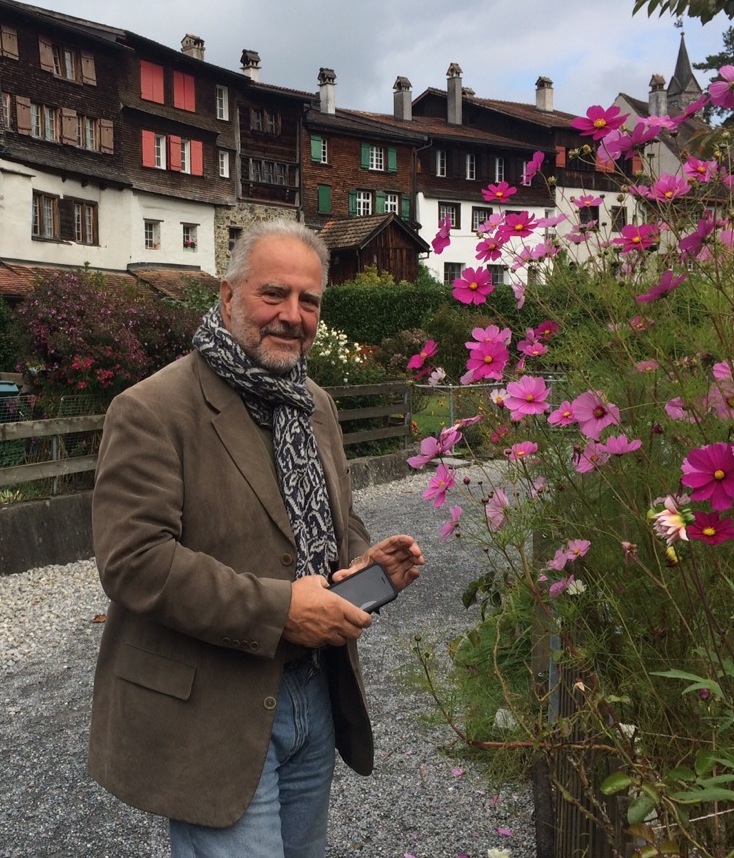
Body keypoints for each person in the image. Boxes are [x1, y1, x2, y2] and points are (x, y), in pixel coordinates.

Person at [88, 218, 424, 858]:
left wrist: (362, 567)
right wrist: (282, 611)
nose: (291, 315)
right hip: (213, 708)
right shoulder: (151, 409)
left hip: (313, 692)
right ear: (228, 295)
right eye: (274, 294)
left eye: (309, 301)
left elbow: (330, 525)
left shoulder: (313, 403)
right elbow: (134, 563)